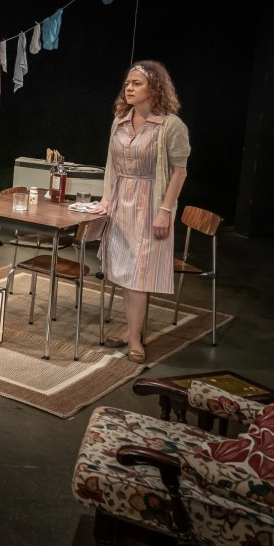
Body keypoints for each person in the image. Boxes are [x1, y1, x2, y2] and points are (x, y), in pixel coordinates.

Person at [88, 60, 190, 364]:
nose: (129, 88)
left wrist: (165, 210)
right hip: (121, 203)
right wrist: (106, 199)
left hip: (150, 203)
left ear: (154, 88)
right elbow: (111, 164)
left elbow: (180, 172)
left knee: (138, 275)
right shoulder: (120, 120)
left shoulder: (170, 125)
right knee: (123, 269)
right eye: (128, 83)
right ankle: (132, 329)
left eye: (137, 83)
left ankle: (134, 339)